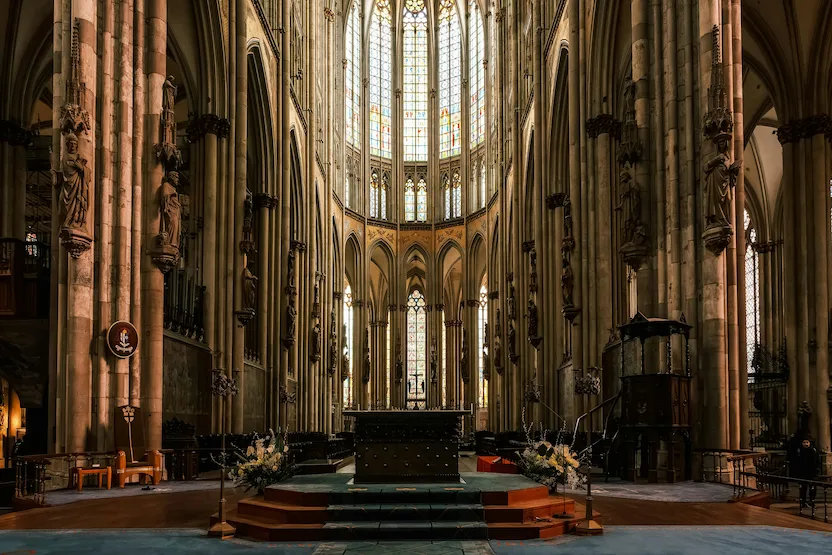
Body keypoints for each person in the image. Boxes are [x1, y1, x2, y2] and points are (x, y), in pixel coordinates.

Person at [793, 433, 819, 508]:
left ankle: (812, 501)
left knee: (812, 489)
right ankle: (803, 502)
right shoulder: (799, 451)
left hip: (812, 473)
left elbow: (817, 461)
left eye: (807, 442)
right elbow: (796, 462)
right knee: (803, 489)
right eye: (804, 442)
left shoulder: (813, 450)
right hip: (803, 473)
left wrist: (816, 471)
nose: (806, 444)